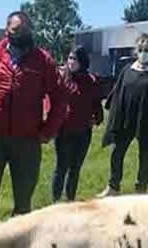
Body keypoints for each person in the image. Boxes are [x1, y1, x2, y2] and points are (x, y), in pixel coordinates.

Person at [0, 11, 67, 226]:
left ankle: (19, 243)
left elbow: (59, 99)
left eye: (26, 30)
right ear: (7, 31)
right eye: (16, 30)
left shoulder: (43, 60)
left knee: (24, 195)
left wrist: (48, 130)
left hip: (28, 139)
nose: (21, 34)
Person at [98, 33, 148, 197]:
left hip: (146, 122)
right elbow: (118, 92)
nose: (144, 53)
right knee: (117, 152)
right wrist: (111, 108)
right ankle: (113, 186)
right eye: (141, 50)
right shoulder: (127, 70)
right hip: (125, 120)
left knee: (145, 155)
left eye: (147, 50)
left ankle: (141, 188)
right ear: (136, 50)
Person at [51, 46, 103, 202]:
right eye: (70, 58)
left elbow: (96, 103)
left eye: (75, 59)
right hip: (64, 130)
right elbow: (50, 99)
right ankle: (55, 202)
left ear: (83, 61)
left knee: (75, 169)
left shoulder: (91, 81)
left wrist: (97, 118)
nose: (71, 62)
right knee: (61, 168)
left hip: (83, 132)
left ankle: (70, 200)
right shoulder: (61, 77)